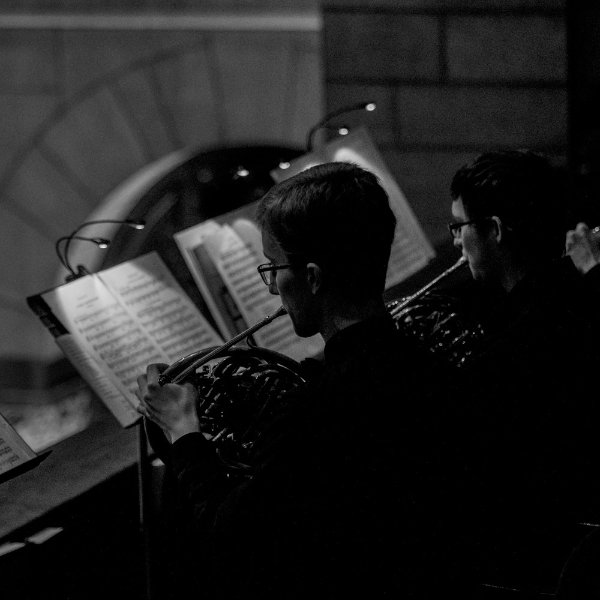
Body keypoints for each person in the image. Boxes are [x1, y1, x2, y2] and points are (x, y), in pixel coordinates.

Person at [136, 162, 468, 599]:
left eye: (274, 267)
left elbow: (229, 536)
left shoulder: (319, 413)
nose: (272, 288)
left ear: (311, 277)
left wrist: (183, 432)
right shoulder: (426, 364)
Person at [447, 150, 600, 594]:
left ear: (494, 230)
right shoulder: (576, 296)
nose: (455, 241)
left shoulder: (515, 348)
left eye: (459, 226)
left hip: (534, 565)